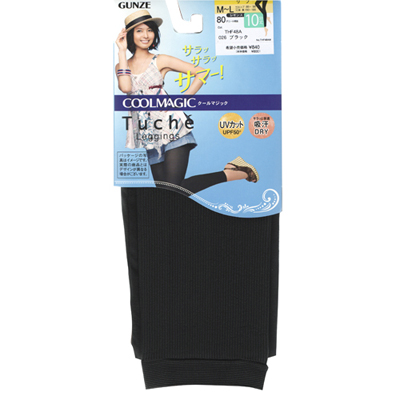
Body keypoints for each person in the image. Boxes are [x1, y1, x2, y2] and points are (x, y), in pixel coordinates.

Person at [115, 10, 259, 196]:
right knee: (166, 195)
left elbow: (202, 72)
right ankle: (232, 171)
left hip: (173, 127)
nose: (146, 35)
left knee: (172, 190)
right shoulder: (121, 66)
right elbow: (126, 88)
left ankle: (237, 173)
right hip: (148, 134)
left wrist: (182, 101)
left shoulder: (160, 60)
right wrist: (121, 50)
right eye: (139, 31)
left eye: (150, 30)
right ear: (129, 35)